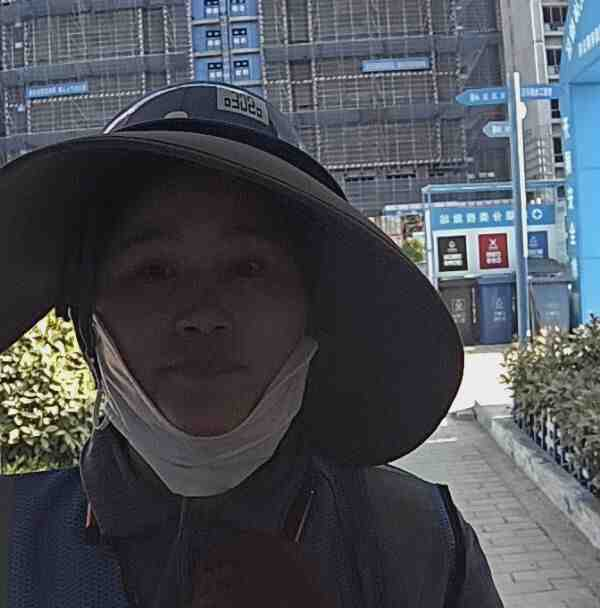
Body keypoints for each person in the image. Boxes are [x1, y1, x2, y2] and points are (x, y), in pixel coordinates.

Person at [0, 82, 503, 607]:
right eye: (154, 271)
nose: (202, 316)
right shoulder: (10, 540)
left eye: (249, 268)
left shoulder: (422, 543)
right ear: (86, 313)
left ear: (314, 311)